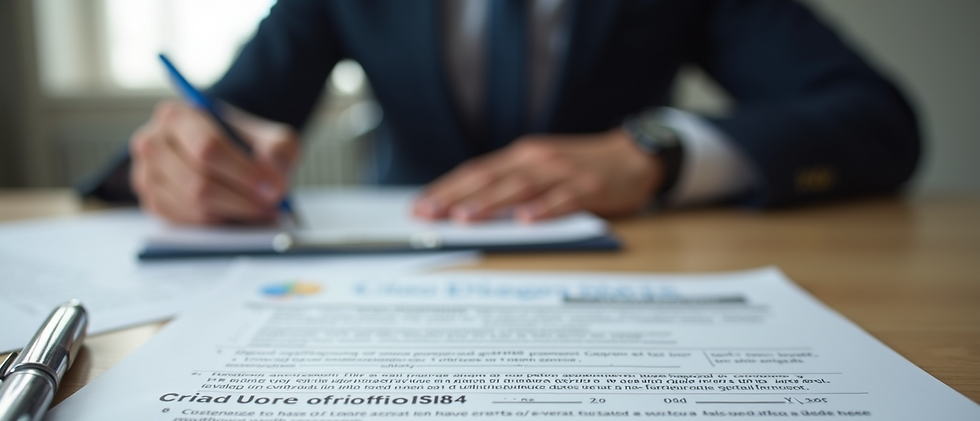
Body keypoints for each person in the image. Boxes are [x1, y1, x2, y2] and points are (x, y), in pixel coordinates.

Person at [79, 0, 920, 227]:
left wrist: (657, 152)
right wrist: (185, 160)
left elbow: (876, 118)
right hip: (393, 276)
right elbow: (226, 118)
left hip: (623, 269)